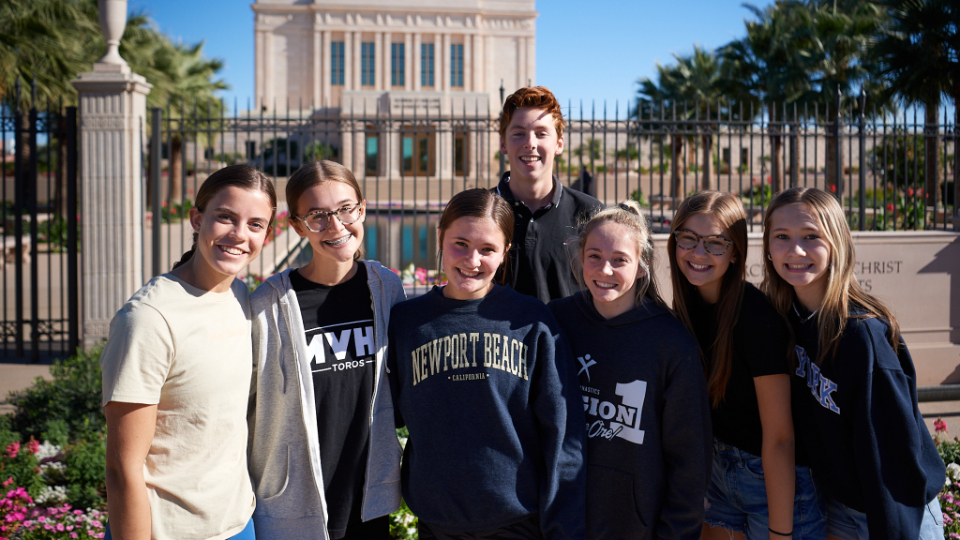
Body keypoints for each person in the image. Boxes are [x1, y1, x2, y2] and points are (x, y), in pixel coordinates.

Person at [386, 188, 586, 540]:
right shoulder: (406, 322)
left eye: (488, 249)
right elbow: (389, 415)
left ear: (506, 251)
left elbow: (562, 431)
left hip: (517, 523)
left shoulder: (530, 321)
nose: (472, 260)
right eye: (460, 244)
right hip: (437, 523)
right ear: (440, 236)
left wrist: (564, 527)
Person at [101, 164, 277, 540]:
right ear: (197, 219)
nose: (239, 234)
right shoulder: (149, 319)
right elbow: (121, 467)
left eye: (255, 224)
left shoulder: (240, 295)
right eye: (225, 217)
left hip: (237, 525)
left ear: (267, 234)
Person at [762, 187, 945, 540]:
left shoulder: (862, 336)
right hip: (841, 508)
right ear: (768, 247)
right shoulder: (786, 319)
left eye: (811, 236)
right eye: (781, 236)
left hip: (895, 513)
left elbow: (893, 456)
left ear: (837, 243)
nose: (795, 250)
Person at [247, 160, 405, 540]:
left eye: (345, 209)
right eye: (317, 216)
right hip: (294, 507)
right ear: (298, 226)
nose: (335, 226)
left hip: (367, 502)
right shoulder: (269, 304)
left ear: (362, 209)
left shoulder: (385, 288)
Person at [548, 200, 712, 540]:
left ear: (641, 265)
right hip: (561, 525)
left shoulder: (672, 344)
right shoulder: (555, 322)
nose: (605, 270)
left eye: (620, 260)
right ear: (580, 257)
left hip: (637, 528)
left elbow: (690, 462)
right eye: (594, 256)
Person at [667, 191, 825, 540]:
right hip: (717, 473)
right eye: (688, 238)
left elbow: (780, 437)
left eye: (715, 243)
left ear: (736, 251)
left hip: (771, 481)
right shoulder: (685, 311)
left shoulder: (756, 319)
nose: (698, 253)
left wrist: (780, 533)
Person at [495, 85, 603, 303]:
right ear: (503, 144)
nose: (530, 143)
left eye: (541, 134)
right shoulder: (481, 213)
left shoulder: (592, 214)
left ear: (559, 144)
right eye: (518, 133)